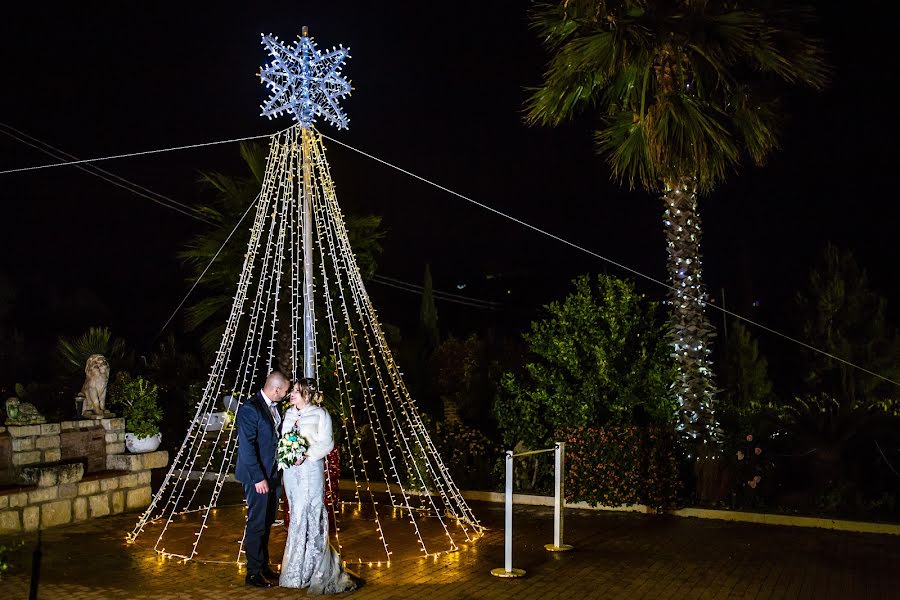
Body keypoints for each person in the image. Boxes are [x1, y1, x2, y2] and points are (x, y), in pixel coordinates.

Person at [279, 378, 358, 594]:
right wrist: (287, 455)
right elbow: (283, 439)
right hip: (291, 472)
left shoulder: (320, 414)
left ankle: (316, 567)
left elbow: (327, 443)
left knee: (311, 513)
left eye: (296, 391)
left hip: (310, 469)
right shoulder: (289, 414)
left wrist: (306, 454)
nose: (292, 394)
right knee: (296, 514)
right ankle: (295, 570)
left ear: (307, 394)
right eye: (292, 391)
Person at [236, 371, 289, 588]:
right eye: (285, 392)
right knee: (257, 523)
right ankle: (253, 573)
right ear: (275, 390)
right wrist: (259, 478)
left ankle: (263, 565)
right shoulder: (250, 409)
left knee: (267, 522)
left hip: (273, 475)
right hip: (257, 477)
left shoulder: (275, 407)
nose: (286, 396)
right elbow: (247, 449)